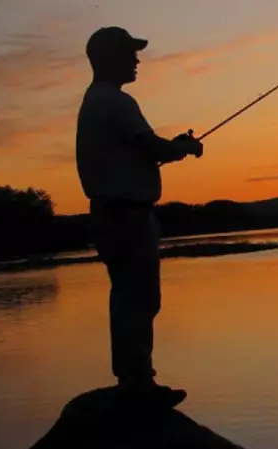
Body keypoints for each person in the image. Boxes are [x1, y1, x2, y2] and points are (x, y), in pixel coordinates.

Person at [75, 26, 203, 408]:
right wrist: (186, 147)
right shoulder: (115, 101)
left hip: (113, 215)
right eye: (130, 53)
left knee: (130, 298)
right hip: (126, 217)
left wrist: (173, 147)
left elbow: (143, 150)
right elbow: (150, 147)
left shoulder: (97, 100)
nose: (136, 59)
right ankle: (138, 384)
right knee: (139, 299)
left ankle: (134, 380)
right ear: (110, 57)